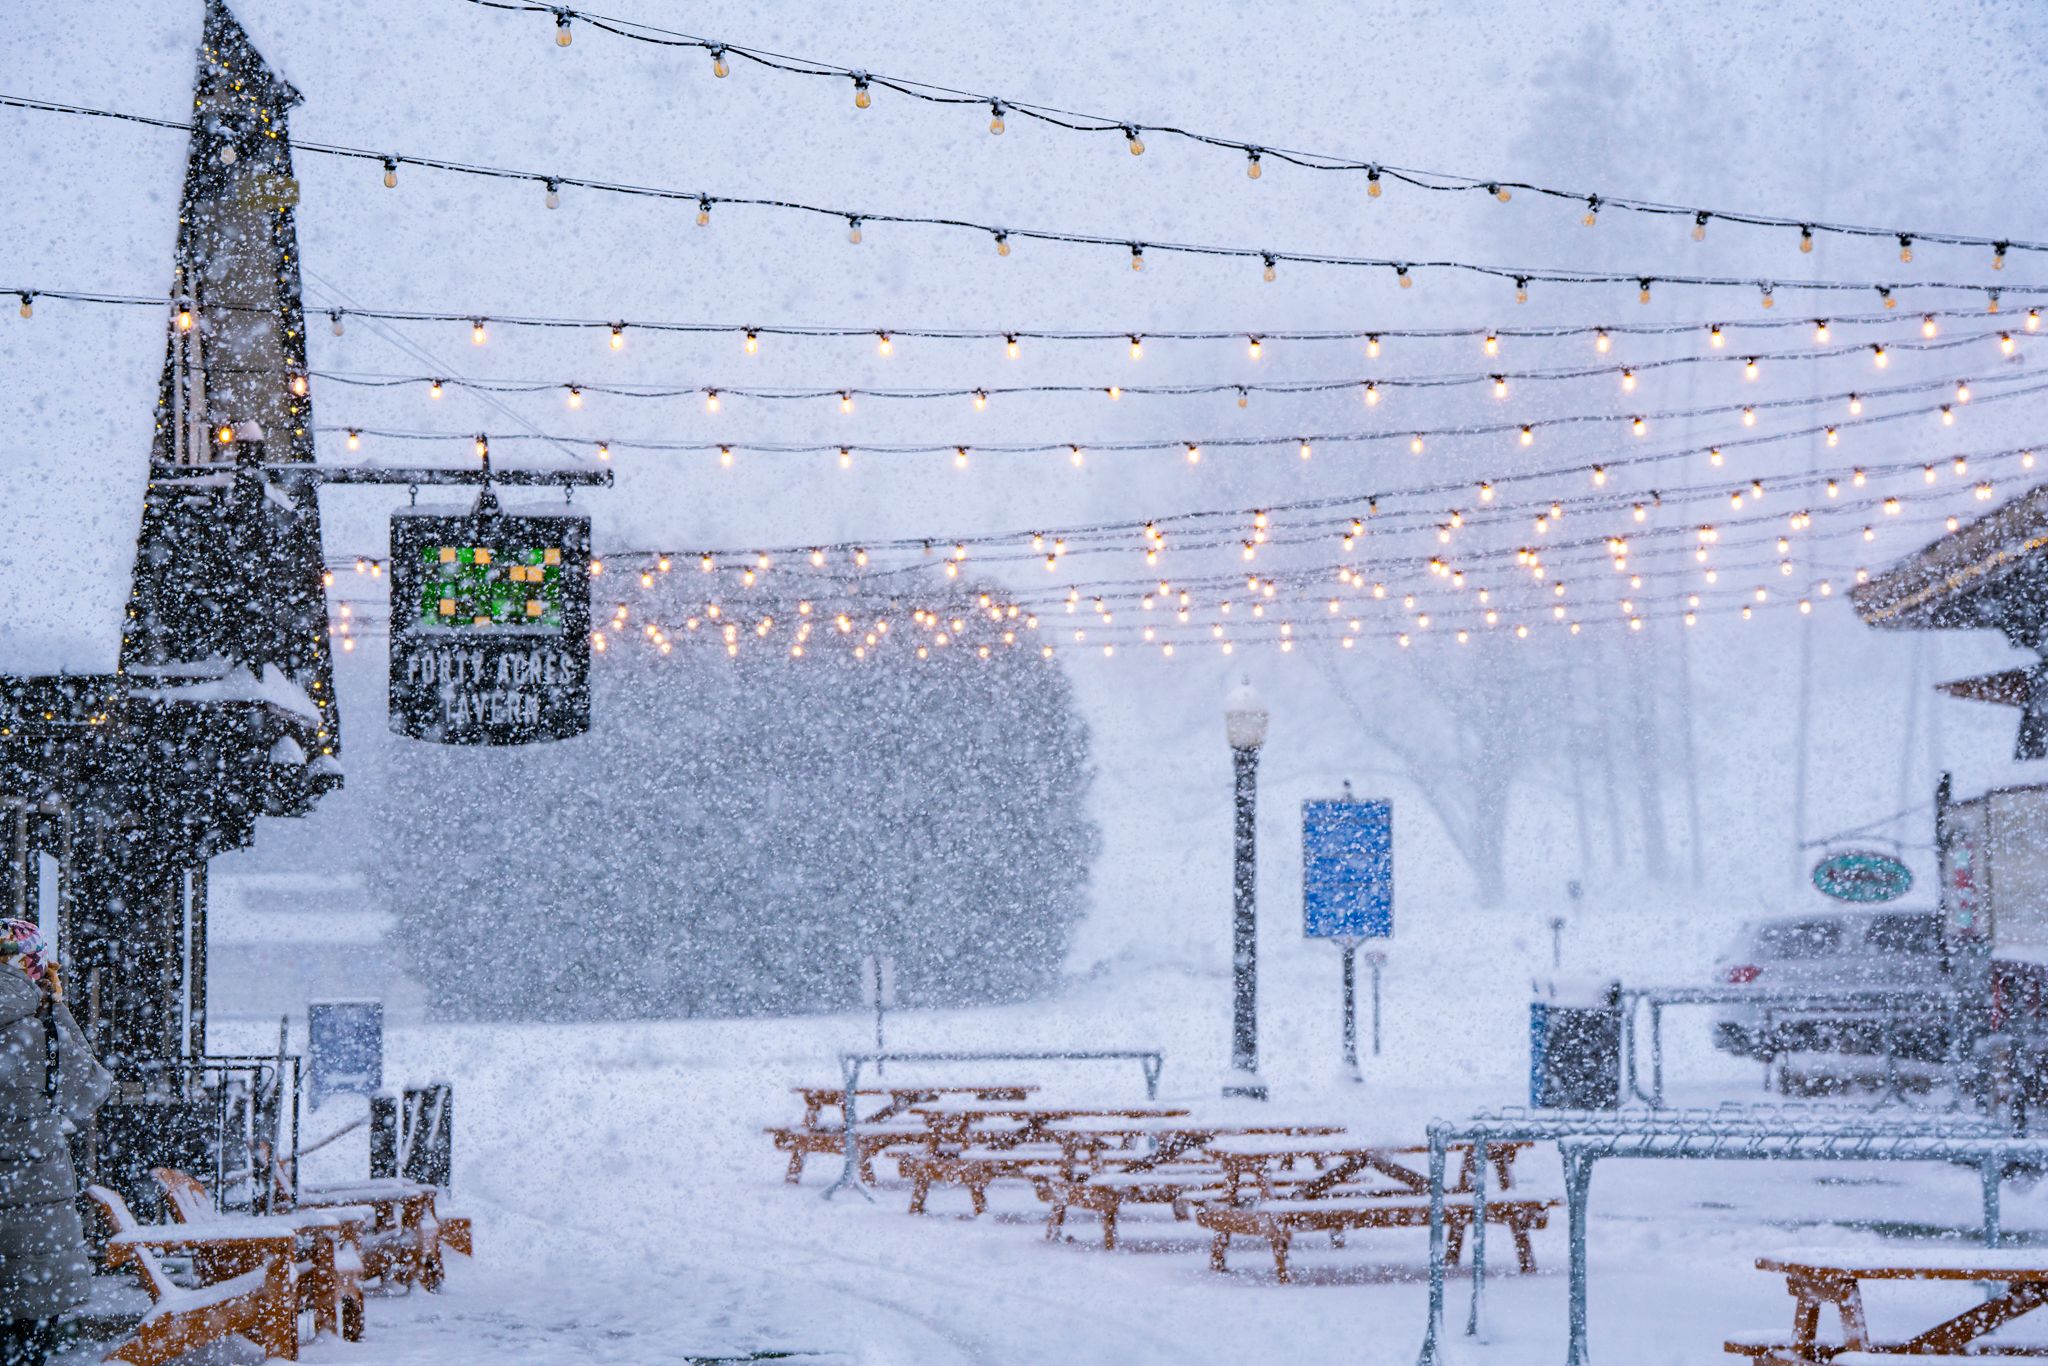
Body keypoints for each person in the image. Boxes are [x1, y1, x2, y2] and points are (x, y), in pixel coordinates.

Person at [0, 920, 111, 1366]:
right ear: (36, 967)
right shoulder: (41, 1031)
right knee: (29, 1342)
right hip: (34, 1209)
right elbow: (89, 1092)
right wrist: (59, 1008)